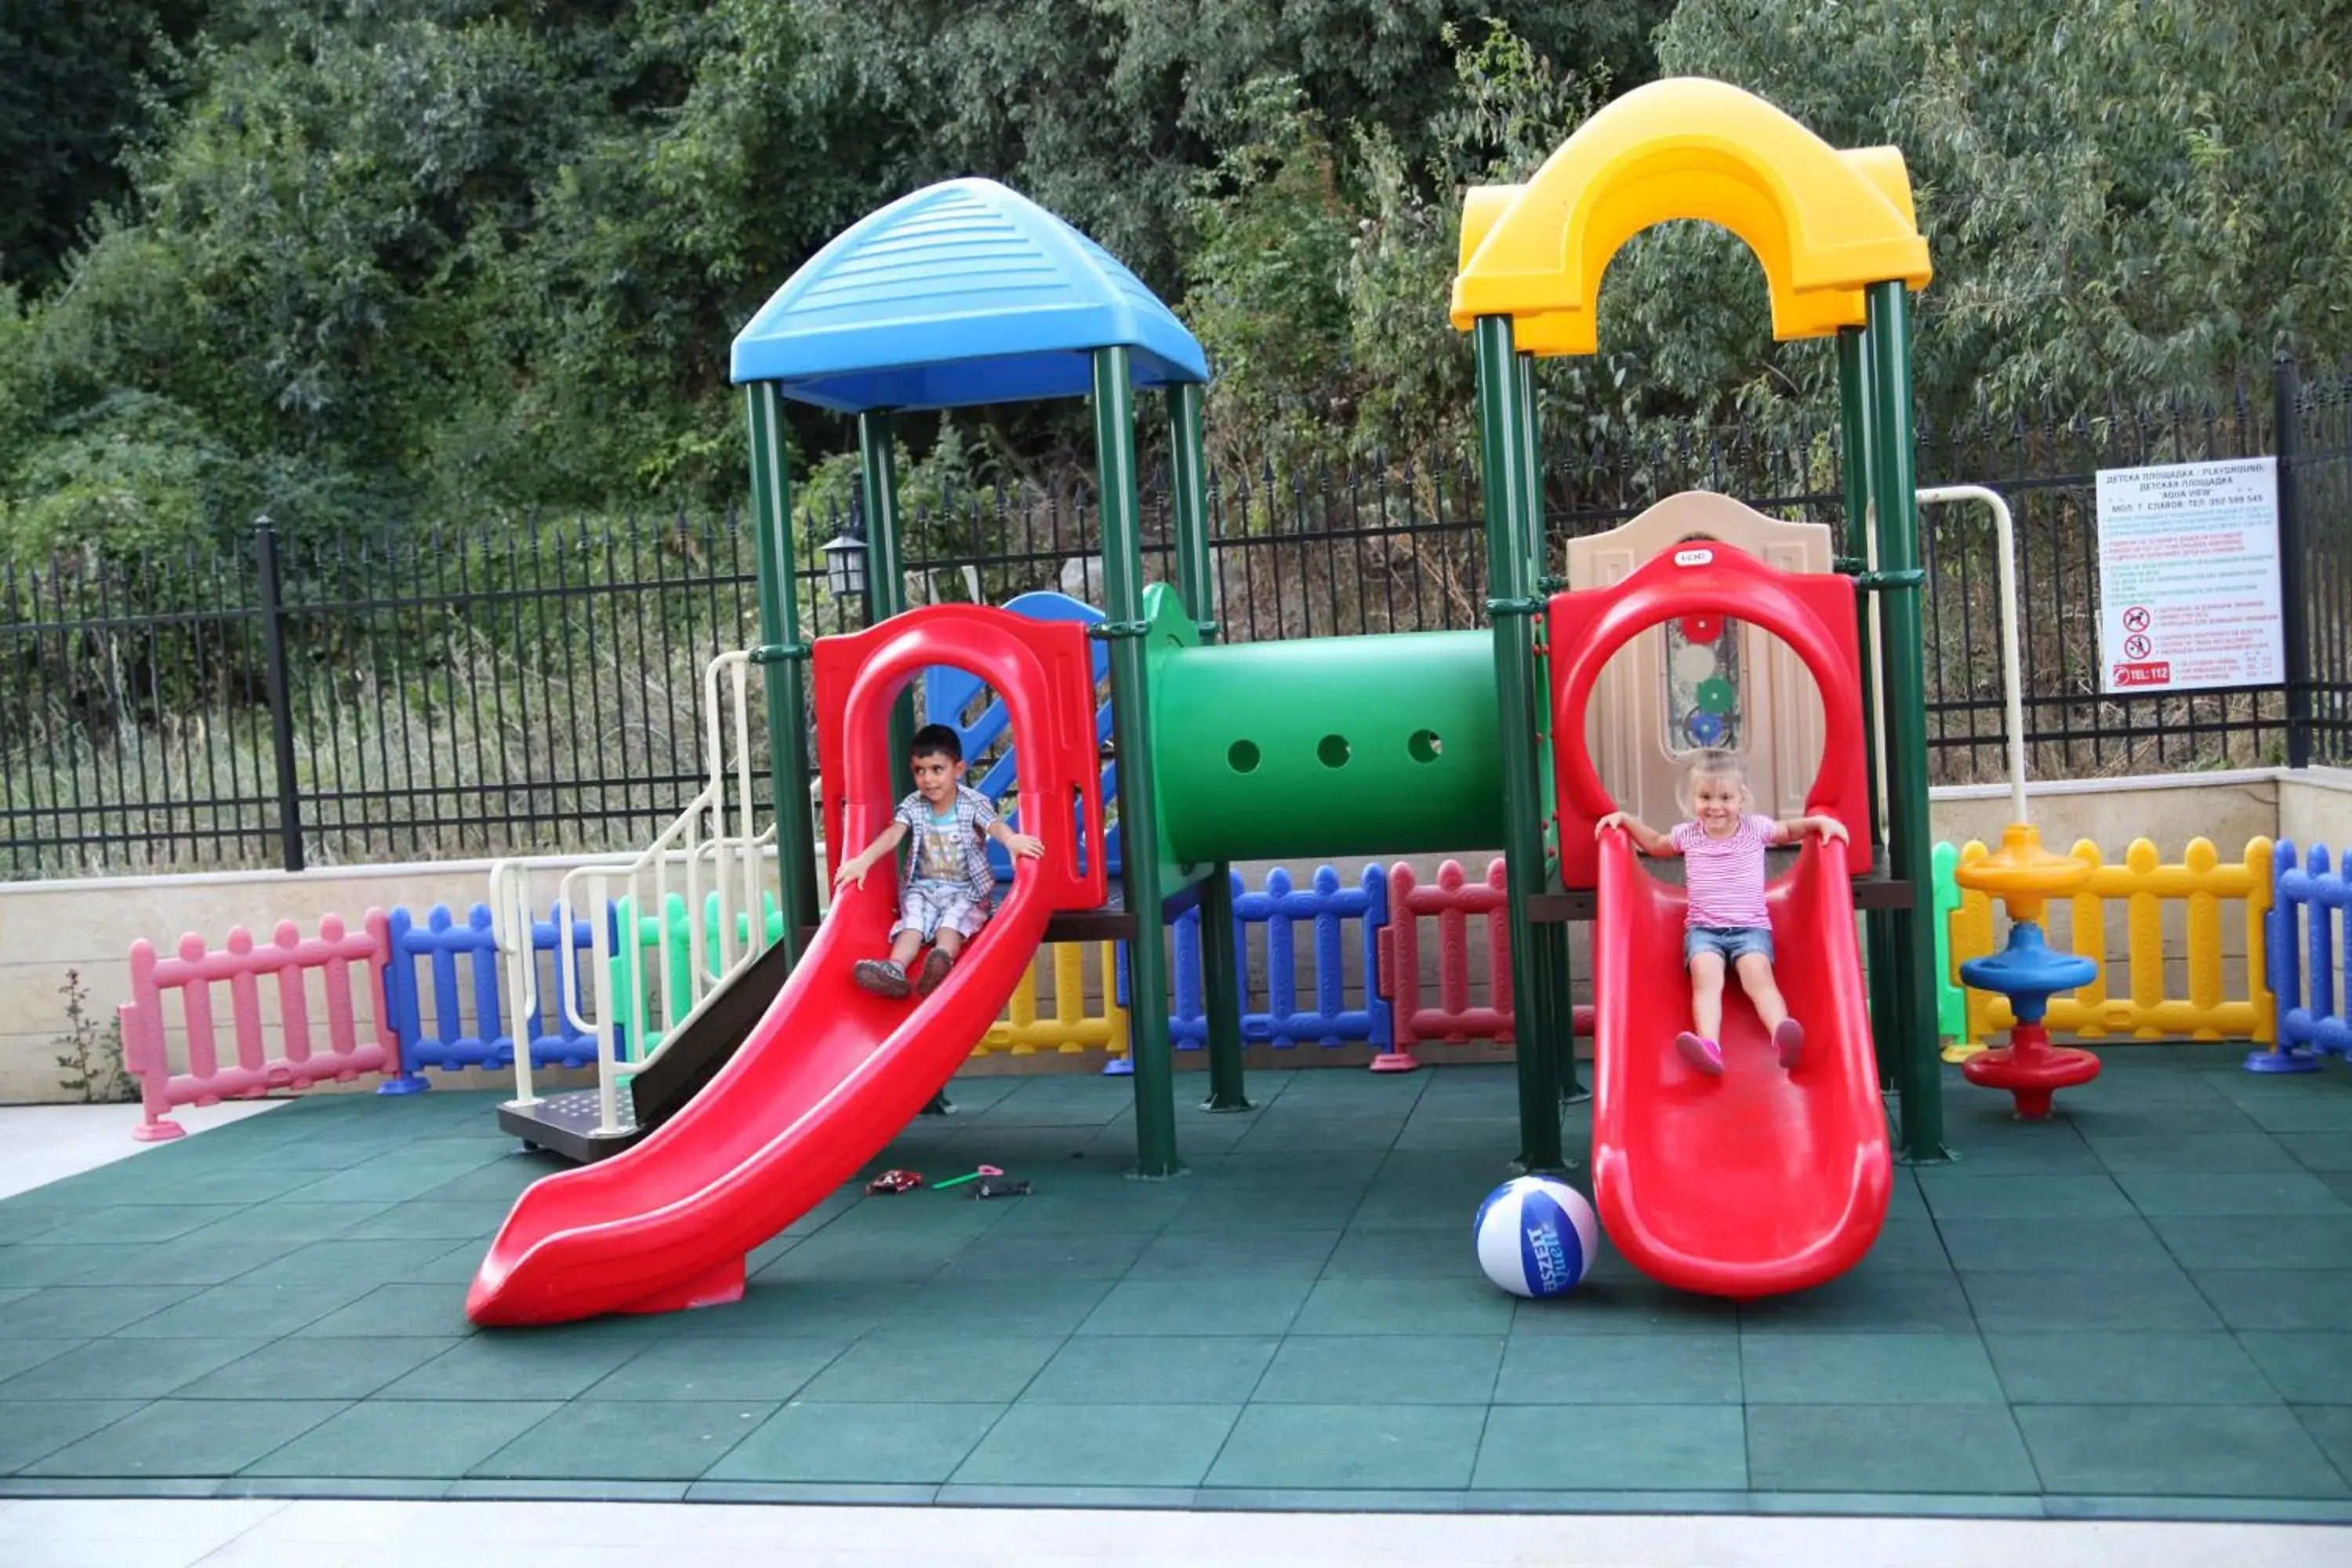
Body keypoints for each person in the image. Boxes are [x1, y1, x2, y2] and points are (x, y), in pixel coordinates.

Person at [1595, 749, 1848, 1076]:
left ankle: (1782, 1033)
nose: (1715, 806)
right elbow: (1656, 845)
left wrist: (1818, 822)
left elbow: (1787, 831)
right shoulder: (1689, 834)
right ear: (1692, 800)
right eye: (1705, 796)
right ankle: (1709, 1046)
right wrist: (1626, 821)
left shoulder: (1755, 829)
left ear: (1742, 799)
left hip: (1750, 929)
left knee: (1758, 976)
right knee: (1705, 977)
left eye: (1726, 797)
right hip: (1704, 931)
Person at [834, 724, 1044, 998]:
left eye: (937, 769)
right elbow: (893, 834)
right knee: (912, 926)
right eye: (919, 771)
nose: (928, 779)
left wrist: (1012, 841)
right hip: (922, 888)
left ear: (958, 770)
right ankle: (894, 970)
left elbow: (995, 826)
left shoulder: (972, 803)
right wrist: (862, 861)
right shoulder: (914, 804)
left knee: (951, 925)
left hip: (965, 891)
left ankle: (941, 961)